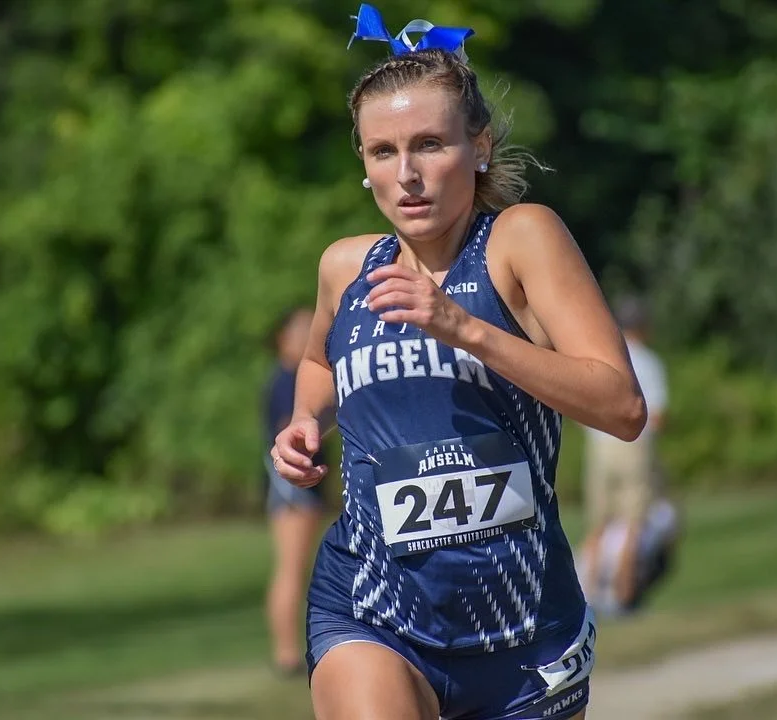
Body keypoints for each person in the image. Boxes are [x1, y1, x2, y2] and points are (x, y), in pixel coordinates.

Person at [269, 5, 646, 719]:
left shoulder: (520, 241)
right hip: (372, 611)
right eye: (383, 152)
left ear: (478, 147)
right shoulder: (347, 268)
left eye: (429, 145)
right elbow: (320, 362)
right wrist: (303, 422)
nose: (407, 174)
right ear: (365, 166)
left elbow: (622, 407)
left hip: (522, 632)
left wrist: (463, 328)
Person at [579, 295, 668, 611]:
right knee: (632, 524)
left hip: (600, 445)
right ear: (643, 327)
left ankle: (586, 599)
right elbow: (656, 417)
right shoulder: (649, 361)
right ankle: (624, 597)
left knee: (599, 525)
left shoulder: (605, 356)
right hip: (633, 446)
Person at [263, 306, 327, 676]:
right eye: (301, 329)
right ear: (282, 340)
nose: (309, 335)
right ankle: (286, 653)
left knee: (292, 568)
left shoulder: (285, 378)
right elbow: (289, 428)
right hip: (290, 489)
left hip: (293, 488)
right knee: (291, 567)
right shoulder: (288, 380)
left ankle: (288, 650)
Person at [575, 495, 680, 619]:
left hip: (597, 578)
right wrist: (622, 601)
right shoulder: (646, 539)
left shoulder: (636, 530)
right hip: (586, 578)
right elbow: (626, 562)